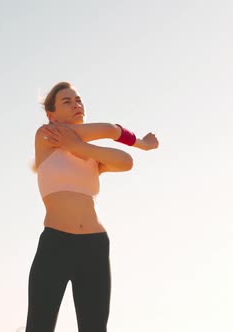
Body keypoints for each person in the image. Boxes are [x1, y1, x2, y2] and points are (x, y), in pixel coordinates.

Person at [25, 82, 159, 332]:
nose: (76, 104)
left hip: (94, 245)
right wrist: (142, 143)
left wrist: (79, 148)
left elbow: (126, 162)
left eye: (78, 100)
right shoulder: (46, 135)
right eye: (67, 101)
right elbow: (109, 129)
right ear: (51, 114)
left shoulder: (90, 155)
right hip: (56, 243)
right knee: (38, 326)